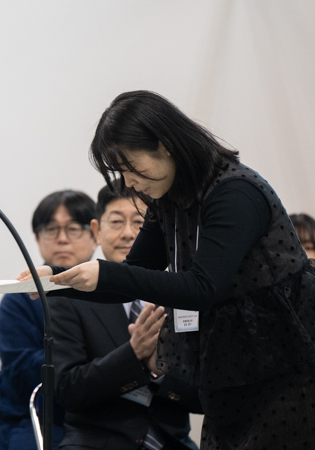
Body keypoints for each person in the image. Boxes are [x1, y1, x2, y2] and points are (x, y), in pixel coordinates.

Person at [24, 91, 315, 450]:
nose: (127, 183)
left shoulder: (236, 192)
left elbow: (202, 288)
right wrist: (55, 281)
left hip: (289, 372)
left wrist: (102, 273)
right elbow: (133, 276)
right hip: (231, 372)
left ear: (164, 145)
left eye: (129, 166)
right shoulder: (167, 199)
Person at [52, 185, 200, 450]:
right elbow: (67, 391)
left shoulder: (181, 293)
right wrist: (133, 355)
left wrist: (159, 371)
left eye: (140, 223)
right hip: (96, 444)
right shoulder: (70, 298)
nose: (129, 233)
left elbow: (207, 393)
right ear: (96, 231)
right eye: (117, 222)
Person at [0, 190, 98, 450]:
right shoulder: (20, 298)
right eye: (51, 229)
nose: (62, 239)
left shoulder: (111, 290)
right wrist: (84, 355)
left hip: (103, 411)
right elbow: (19, 371)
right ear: (38, 238)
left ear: (95, 234)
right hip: (40, 416)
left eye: (73, 228)